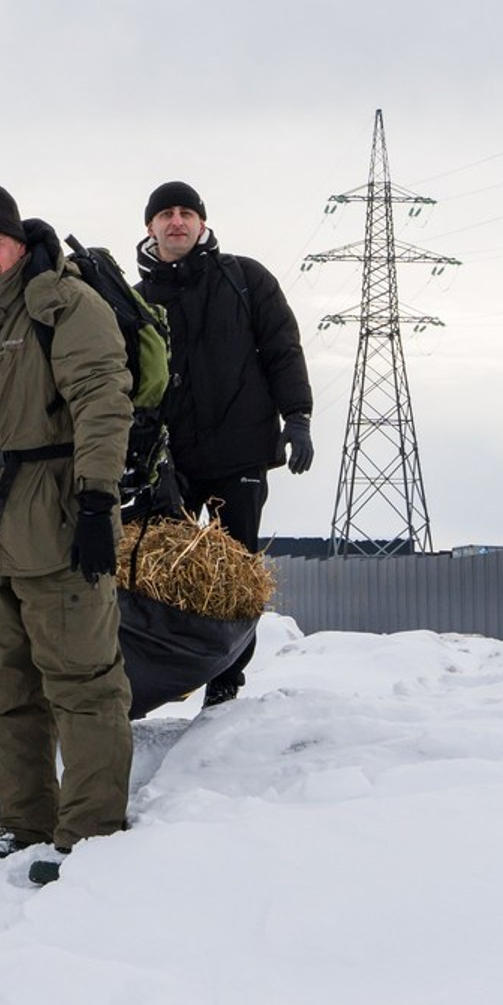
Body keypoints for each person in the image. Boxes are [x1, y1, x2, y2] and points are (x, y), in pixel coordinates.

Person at [0, 184, 134, 884]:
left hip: (57, 513)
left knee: (82, 678)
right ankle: (22, 822)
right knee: (4, 683)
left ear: (17, 244)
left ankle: (89, 831)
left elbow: (102, 403)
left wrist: (95, 501)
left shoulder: (65, 305)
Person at [135, 180, 314, 707]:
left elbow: (283, 348)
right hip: (173, 462)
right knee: (164, 573)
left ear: (202, 223)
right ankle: (170, 672)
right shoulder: (139, 299)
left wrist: (297, 417)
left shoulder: (245, 279)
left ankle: (227, 681)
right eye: (166, 214)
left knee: (239, 573)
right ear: (150, 227)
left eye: (187, 213)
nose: (177, 222)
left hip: (240, 453)